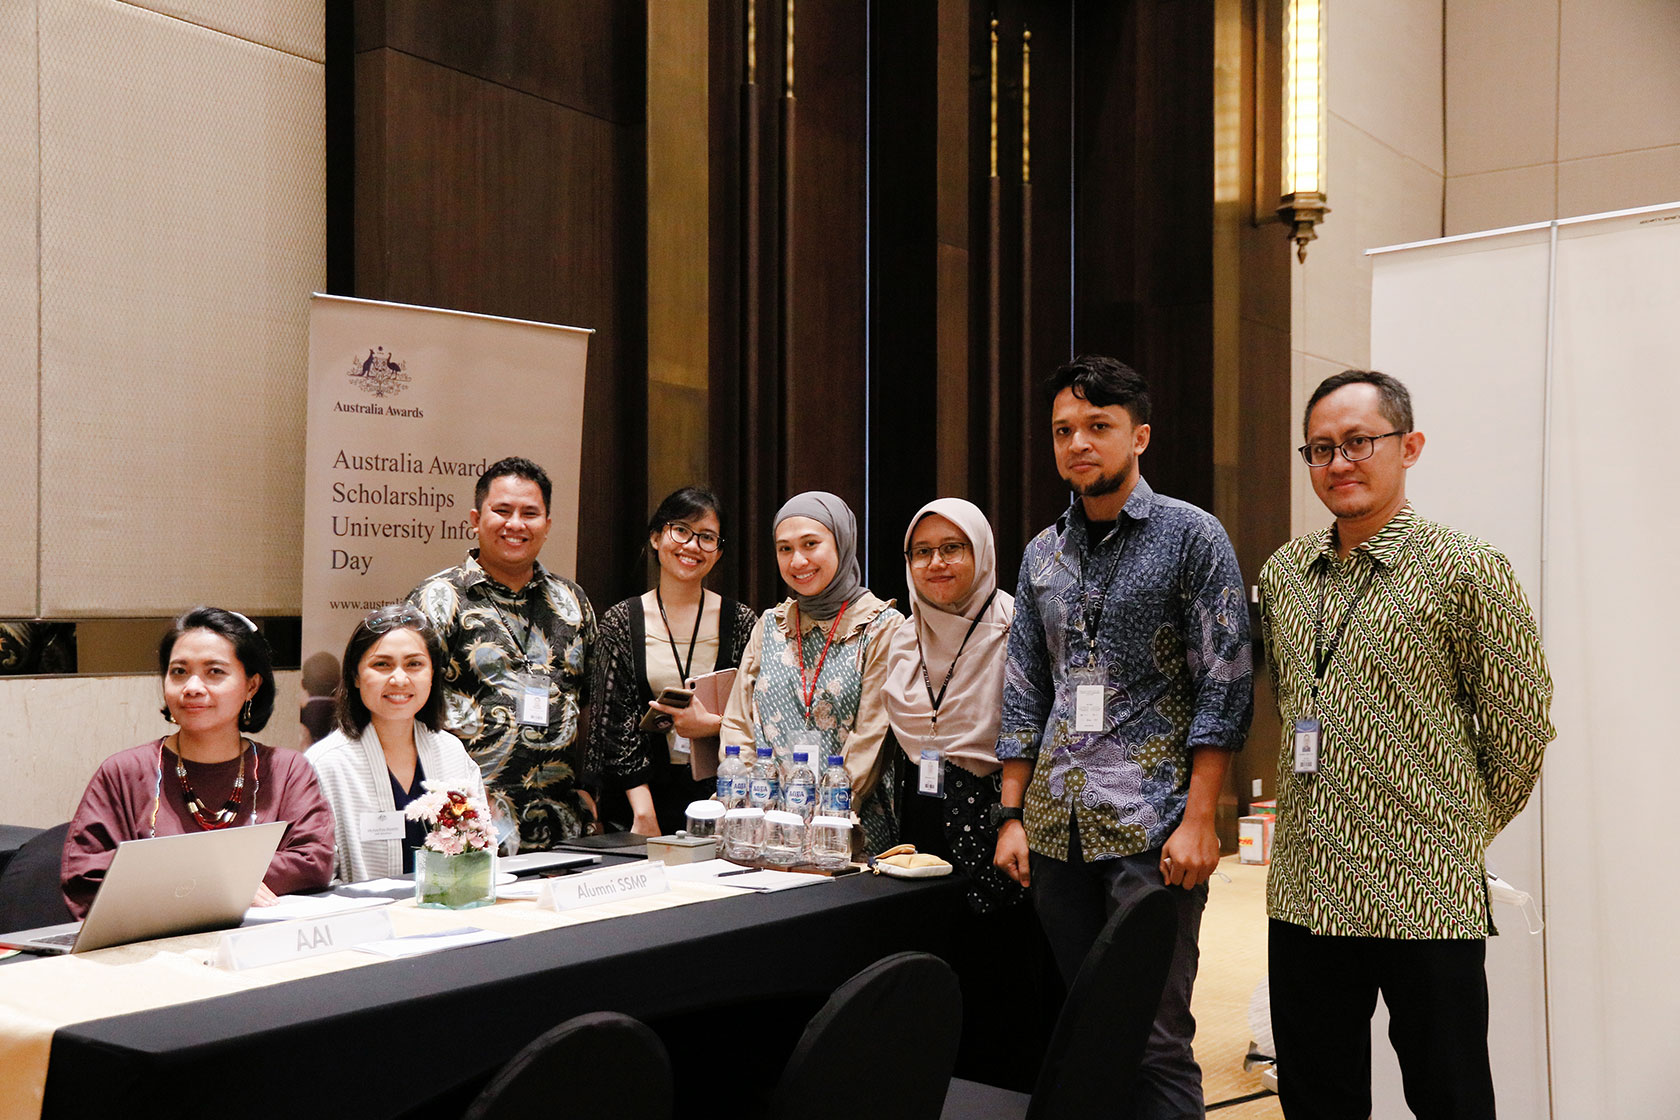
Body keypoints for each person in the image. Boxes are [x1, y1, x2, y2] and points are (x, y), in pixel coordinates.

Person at [1257, 370, 1553, 1120]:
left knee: (1449, 1097)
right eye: (1320, 449)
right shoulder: (1284, 573)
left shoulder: (1465, 567)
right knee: (1317, 1098)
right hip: (1306, 890)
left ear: (1408, 446)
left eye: (1359, 441)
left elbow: (1520, 726)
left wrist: (1453, 829)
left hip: (1422, 892)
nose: (1340, 463)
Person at [994, 355, 1253, 1120]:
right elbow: (1024, 687)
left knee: (1156, 1035)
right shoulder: (1044, 553)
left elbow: (1227, 681)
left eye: (1098, 427)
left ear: (1138, 436)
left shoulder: (1191, 537)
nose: (1079, 443)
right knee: (1089, 1026)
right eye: (1064, 430)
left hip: (1153, 828)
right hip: (1055, 828)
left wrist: (1203, 818)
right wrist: (1012, 814)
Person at [61, 607, 334, 917]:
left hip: (258, 947)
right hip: (151, 949)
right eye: (179, 672)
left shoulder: (286, 770)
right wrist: (219, 882)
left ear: (251, 686)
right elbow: (85, 875)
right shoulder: (124, 773)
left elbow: (313, 862)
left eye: (214, 672)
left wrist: (176, 879)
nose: (192, 687)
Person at [408, 456, 598, 851]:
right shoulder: (438, 599)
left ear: (547, 526)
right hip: (469, 826)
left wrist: (592, 786)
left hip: (563, 822)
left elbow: (593, 705)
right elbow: (407, 710)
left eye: (530, 513)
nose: (516, 524)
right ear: (476, 519)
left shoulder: (572, 600)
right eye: (502, 511)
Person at [720, 491, 904, 855]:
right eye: (785, 549)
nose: (797, 560)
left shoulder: (880, 626)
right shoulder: (770, 625)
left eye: (810, 544)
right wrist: (741, 808)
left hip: (844, 830)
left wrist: (820, 822)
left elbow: (871, 738)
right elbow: (737, 723)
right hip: (762, 830)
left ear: (842, 543)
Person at [588, 487, 758, 836]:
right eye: (680, 530)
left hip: (723, 798)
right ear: (656, 537)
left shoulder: (741, 622)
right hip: (640, 802)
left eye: (707, 537)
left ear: (719, 551)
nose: (692, 545)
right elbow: (611, 728)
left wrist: (711, 726)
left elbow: (760, 715)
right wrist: (644, 812)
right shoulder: (621, 621)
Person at [882, 497, 1020, 913]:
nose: (935, 562)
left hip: (998, 816)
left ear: (979, 551)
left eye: (951, 548)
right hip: (920, 810)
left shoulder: (1014, 627)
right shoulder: (904, 637)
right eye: (922, 551)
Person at [307, 603, 487, 882]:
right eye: (382, 664)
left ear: (432, 674)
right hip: (366, 920)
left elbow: (479, 851)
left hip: (452, 914)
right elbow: (319, 877)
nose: (399, 679)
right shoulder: (325, 764)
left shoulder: (452, 752)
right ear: (355, 676)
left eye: (414, 664)